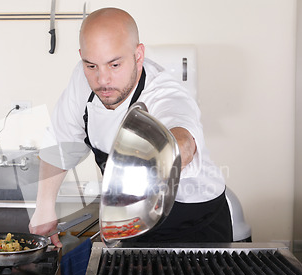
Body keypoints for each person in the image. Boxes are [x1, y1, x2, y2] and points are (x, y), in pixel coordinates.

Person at [29, 7, 232, 247]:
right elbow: (60, 143)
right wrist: (43, 209)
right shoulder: (83, 79)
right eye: (91, 65)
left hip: (193, 224)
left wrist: (158, 155)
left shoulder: (165, 93)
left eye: (114, 65)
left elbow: (185, 142)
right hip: (135, 223)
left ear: (138, 55)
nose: (102, 80)